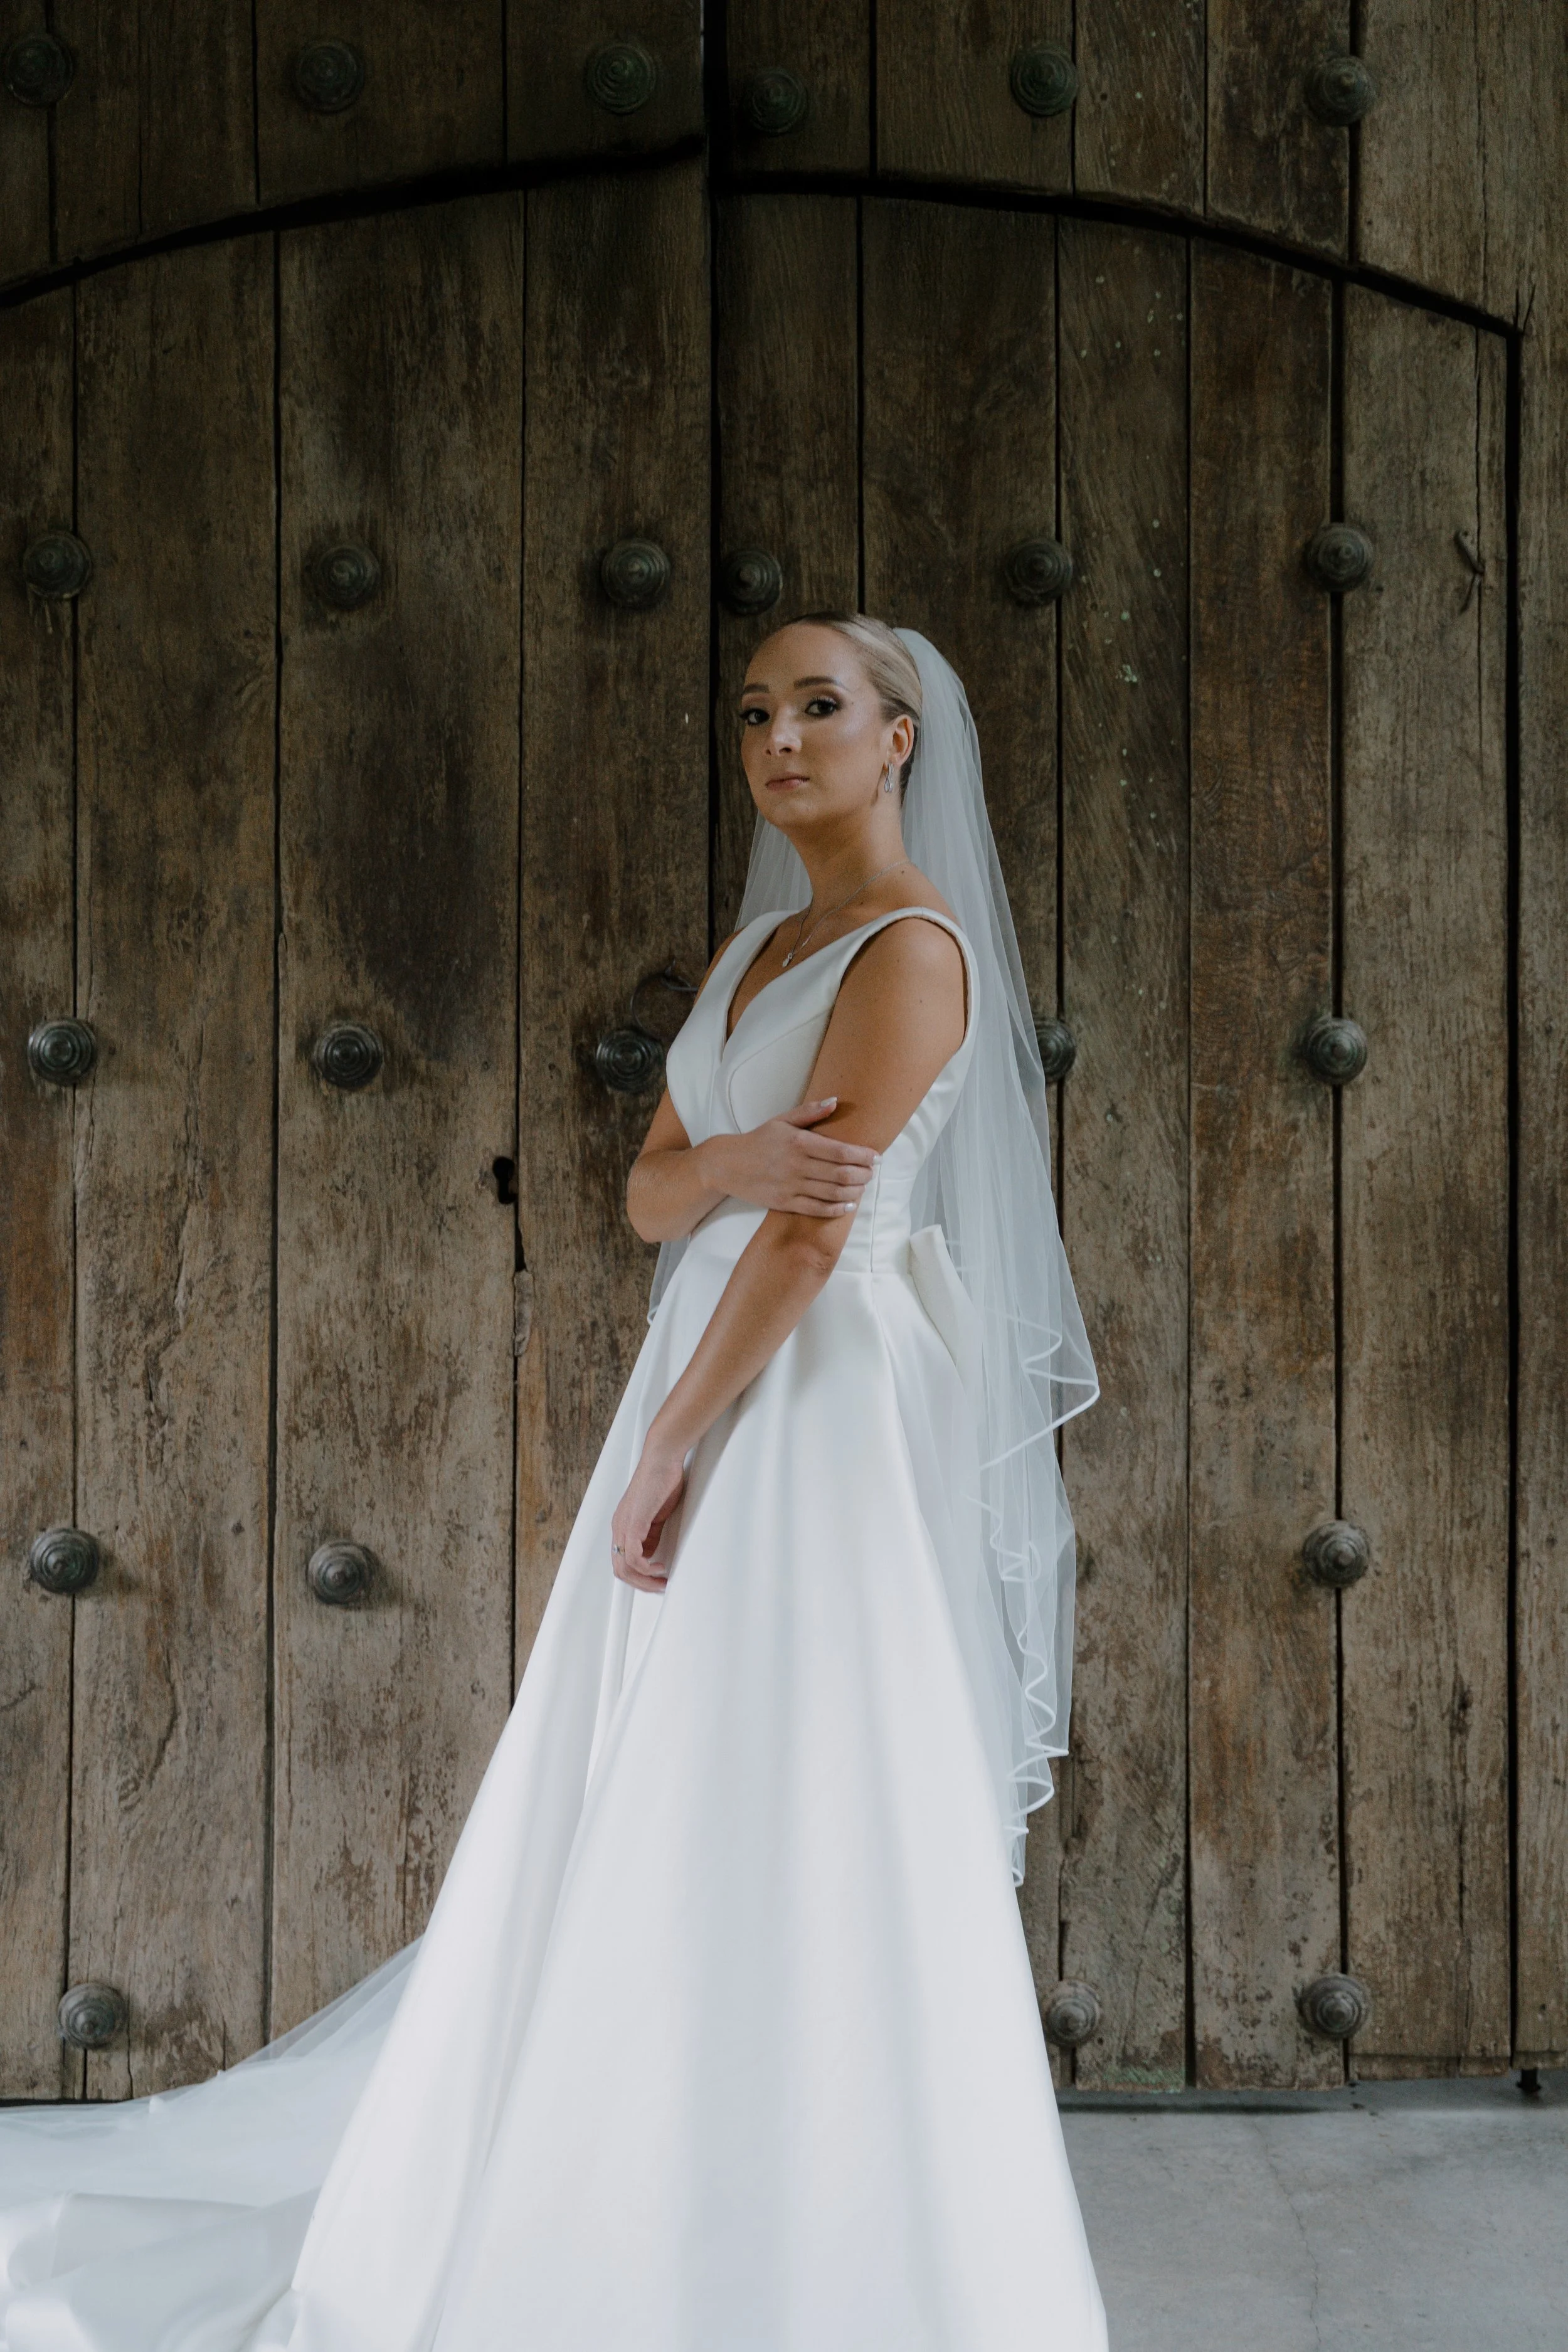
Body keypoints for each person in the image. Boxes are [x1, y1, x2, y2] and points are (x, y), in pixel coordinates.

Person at [0, 617, 1105, 2351]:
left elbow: (813, 1231)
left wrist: (672, 1437)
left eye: (820, 707)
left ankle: (819, 2202)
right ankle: (625, 2149)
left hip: (807, 1400)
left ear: (900, 741)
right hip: (712, 1367)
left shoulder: (909, 950)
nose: (779, 738)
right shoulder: (761, 945)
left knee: (800, 1762)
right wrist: (725, 1161)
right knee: (657, 1748)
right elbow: (657, 1194)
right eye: (754, 710)